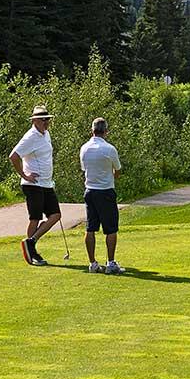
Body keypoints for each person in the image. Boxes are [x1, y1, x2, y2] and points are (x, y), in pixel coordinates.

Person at [9, 105, 60, 266]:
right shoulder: (30, 137)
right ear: (35, 120)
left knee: (55, 215)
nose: (47, 122)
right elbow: (14, 156)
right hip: (33, 184)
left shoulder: (46, 134)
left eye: (48, 119)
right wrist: (24, 175)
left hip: (46, 184)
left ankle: (31, 242)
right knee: (35, 218)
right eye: (44, 120)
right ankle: (31, 252)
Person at [79, 117, 123, 275]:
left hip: (90, 191)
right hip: (105, 191)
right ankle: (110, 263)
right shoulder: (109, 149)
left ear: (92, 131)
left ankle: (92, 263)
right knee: (111, 229)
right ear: (106, 131)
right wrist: (110, 175)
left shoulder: (84, 148)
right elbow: (117, 171)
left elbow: (84, 169)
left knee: (90, 228)